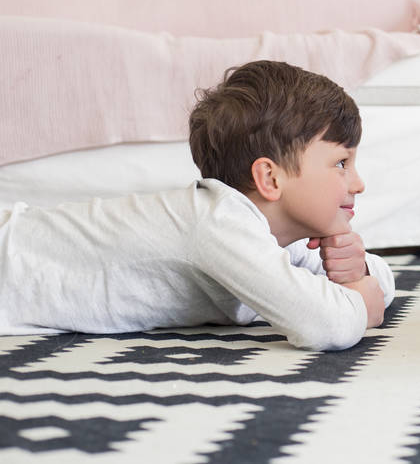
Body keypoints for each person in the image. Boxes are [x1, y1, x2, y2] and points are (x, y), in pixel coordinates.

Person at [0, 60, 393, 351]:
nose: (358, 183)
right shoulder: (218, 223)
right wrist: (360, 298)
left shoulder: (273, 235)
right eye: (341, 164)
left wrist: (356, 269)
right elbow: (326, 324)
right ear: (270, 179)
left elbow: (381, 283)